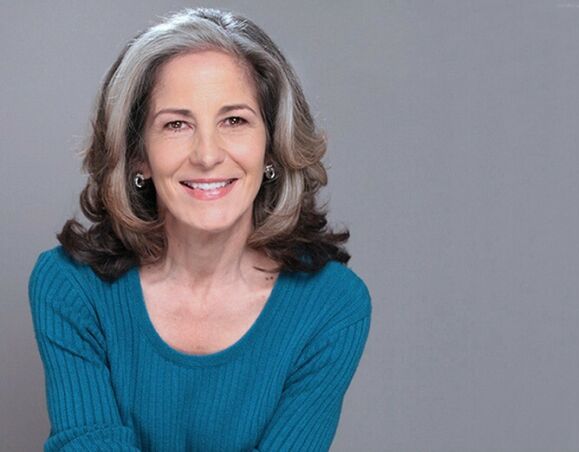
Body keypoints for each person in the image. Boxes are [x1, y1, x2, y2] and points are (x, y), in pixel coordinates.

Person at [27, 7, 371, 451]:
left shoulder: (331, 305)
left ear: (272, 146)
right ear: (138, 157)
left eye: (234, 120)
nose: (207, 155)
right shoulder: (71, 288)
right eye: (176, 124)